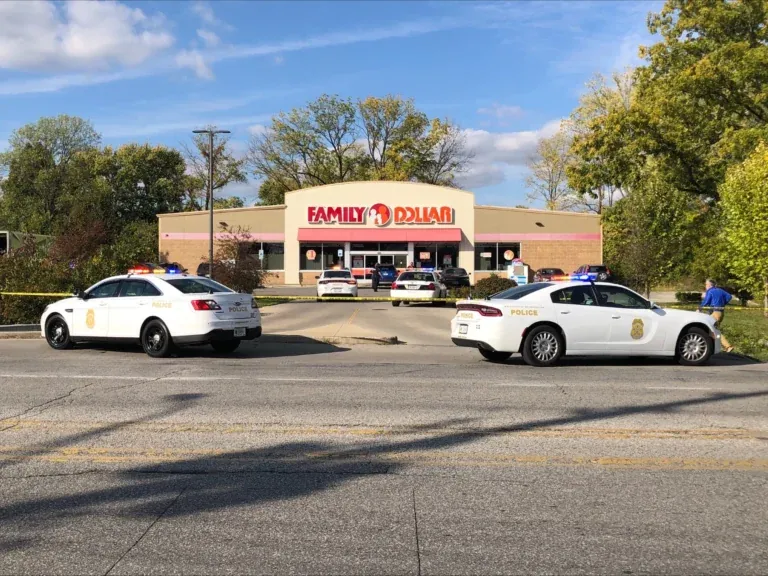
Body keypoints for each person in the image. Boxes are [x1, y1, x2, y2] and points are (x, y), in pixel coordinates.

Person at [698, 279, 734, 353]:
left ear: (710, 285)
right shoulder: (720, 290)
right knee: (711, 330)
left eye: (706, 284)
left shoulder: (710, 291)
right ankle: (714, 347)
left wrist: (700, 308)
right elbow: (729, 296)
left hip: (715, 313)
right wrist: (723, 303)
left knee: (713, 330)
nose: (705, 286)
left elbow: (706, 301)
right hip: (721, 312)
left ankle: (728, 346)